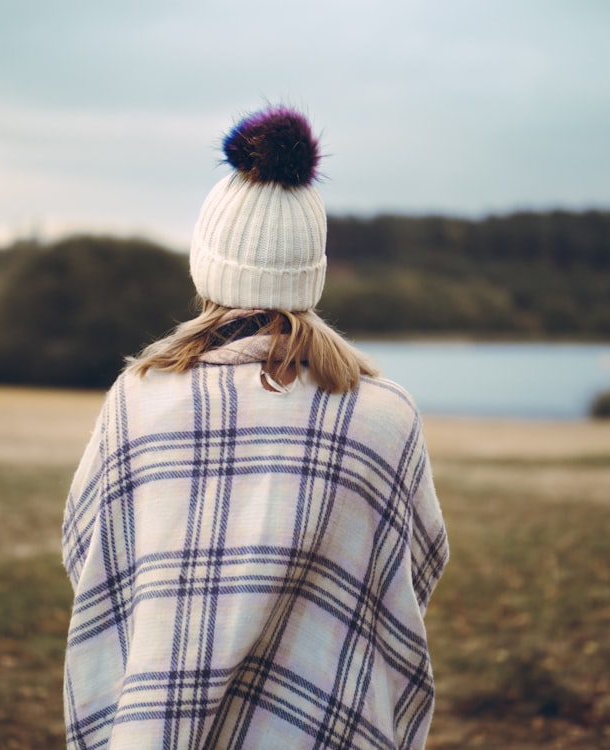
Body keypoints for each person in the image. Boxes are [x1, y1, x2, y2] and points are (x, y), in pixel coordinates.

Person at [62, 105, 449, 749]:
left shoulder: (138, 400)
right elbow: (414, 571)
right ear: (312, 275)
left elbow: (91, 558)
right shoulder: (387, 416)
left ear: (206, 266)